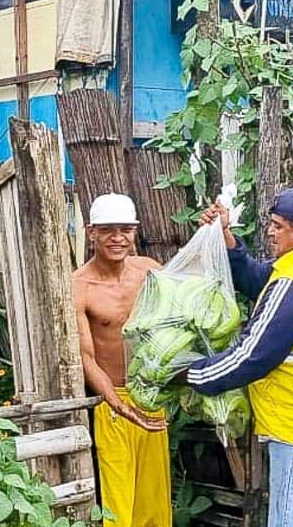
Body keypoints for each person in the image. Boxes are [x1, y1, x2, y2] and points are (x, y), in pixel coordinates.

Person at [183, 186, 293, 527]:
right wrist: (226, 237)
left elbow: (250, 357)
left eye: (278, 225)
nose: (269, 231)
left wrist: (191, 374)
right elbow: (262, 281)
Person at [73, 193, 171, 527]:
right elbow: (86, 357)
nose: (118, 238)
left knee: (154, 497)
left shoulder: (150, 271)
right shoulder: (79, 286)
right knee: (119, 498)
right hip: (112, 403)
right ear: (92, 233)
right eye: (108, 230)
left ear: (135, 232)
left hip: (151, 396)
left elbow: (183, 318)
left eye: (125, 230)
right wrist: (117, 403)